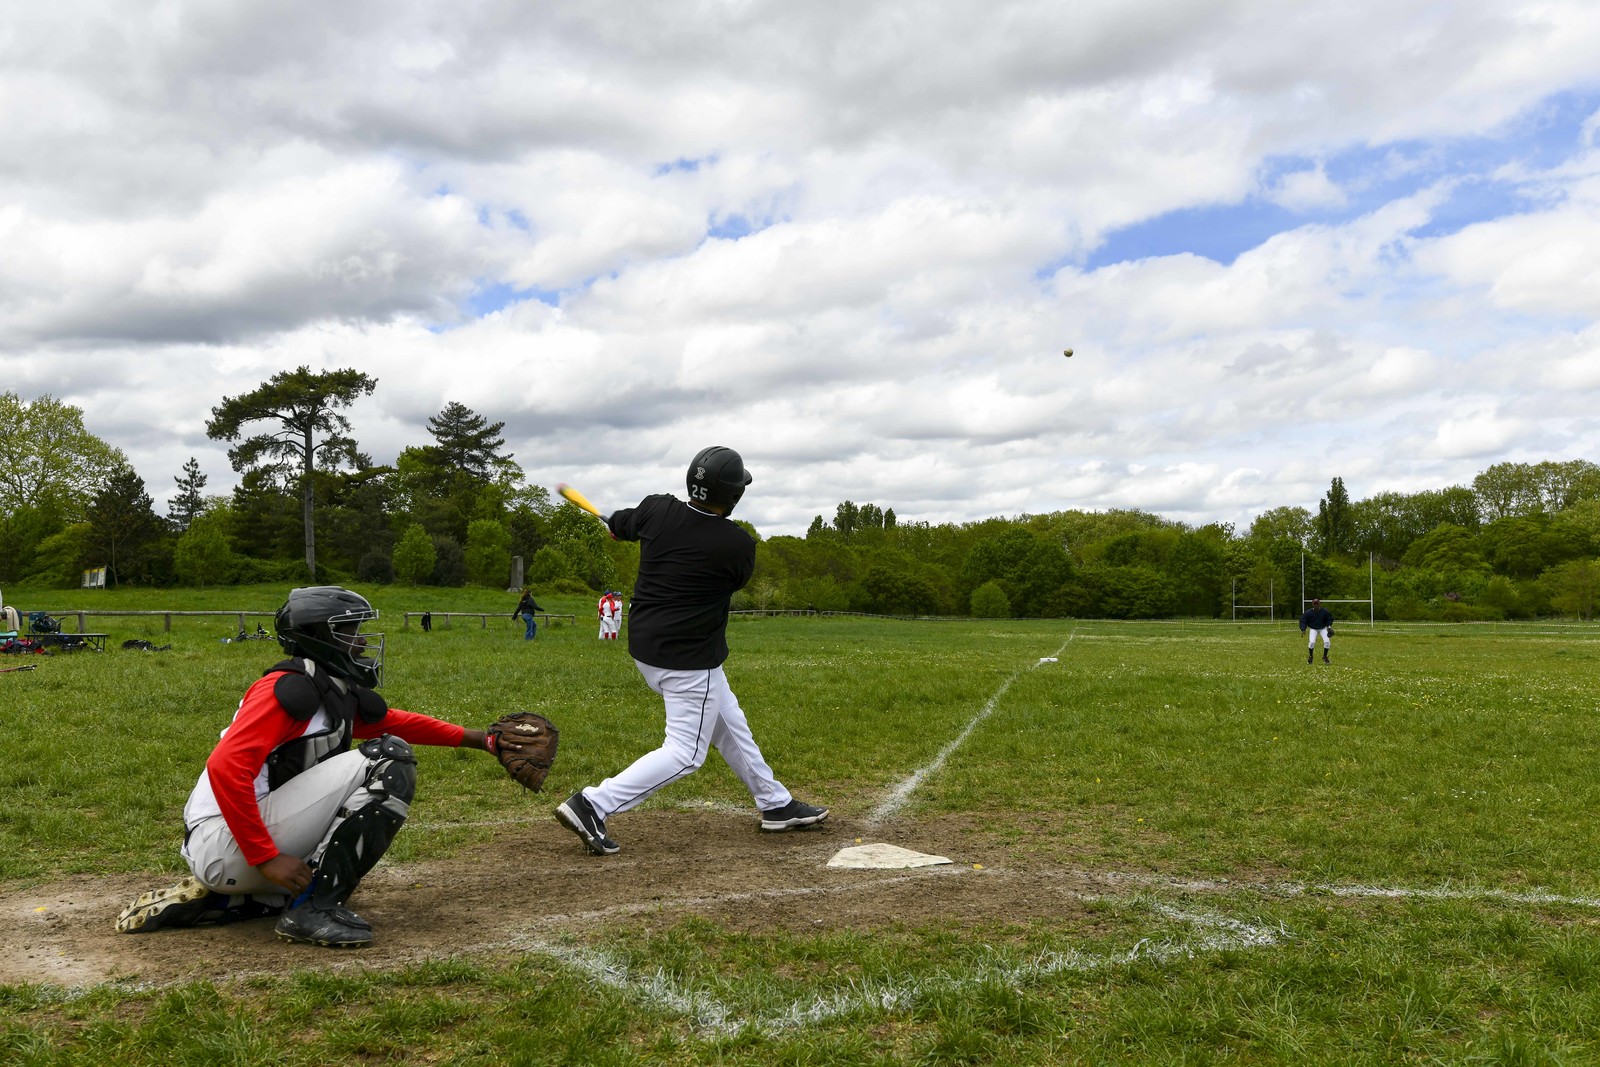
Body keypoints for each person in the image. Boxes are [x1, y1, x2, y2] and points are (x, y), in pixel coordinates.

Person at [116, 586, 500, 948]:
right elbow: (225, 767)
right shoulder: (284, 689)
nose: (362, 641)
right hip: (227, 841)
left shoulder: (323, 688)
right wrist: (265, 857)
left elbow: (396, 721)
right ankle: (311, 908)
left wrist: (481, 739)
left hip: (234, 844)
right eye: (350, 632)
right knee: (388, 757)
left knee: (378, 761)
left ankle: (235, 900)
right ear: (320, 636)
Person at [555, 446, 827, 855]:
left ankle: (775, 803)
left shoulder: (656, 509)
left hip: (647, 649)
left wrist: (618, 526)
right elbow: (721, 572)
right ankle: (594, 803)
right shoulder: (736, 545)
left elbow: (624, 526)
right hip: (687, 662)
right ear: (733, 496)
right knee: (685, 753)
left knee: (728, 720)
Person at [1299, 597, 1334, 664]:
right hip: (1313, 628)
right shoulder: (1308, 612)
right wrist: (1303, 629)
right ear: (1312, 604)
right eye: (1314, 604)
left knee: (1327, 642)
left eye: (1317, 604)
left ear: (1319, 604)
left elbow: (1329, 619)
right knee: (1311, 642)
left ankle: (1325, 656)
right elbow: (1303, 620)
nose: (1316, 605)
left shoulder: (1324, 611)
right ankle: (1311, 656)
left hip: (1322, 628)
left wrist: (1329, 627)